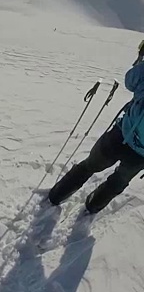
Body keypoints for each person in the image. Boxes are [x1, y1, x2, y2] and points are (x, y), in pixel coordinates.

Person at [48, 57, 144, 214]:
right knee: (118, 181)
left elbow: (130, 81)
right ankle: (93, 206)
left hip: (121, 135)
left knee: (89, 165)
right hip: (141, 155)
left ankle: (57, 195)